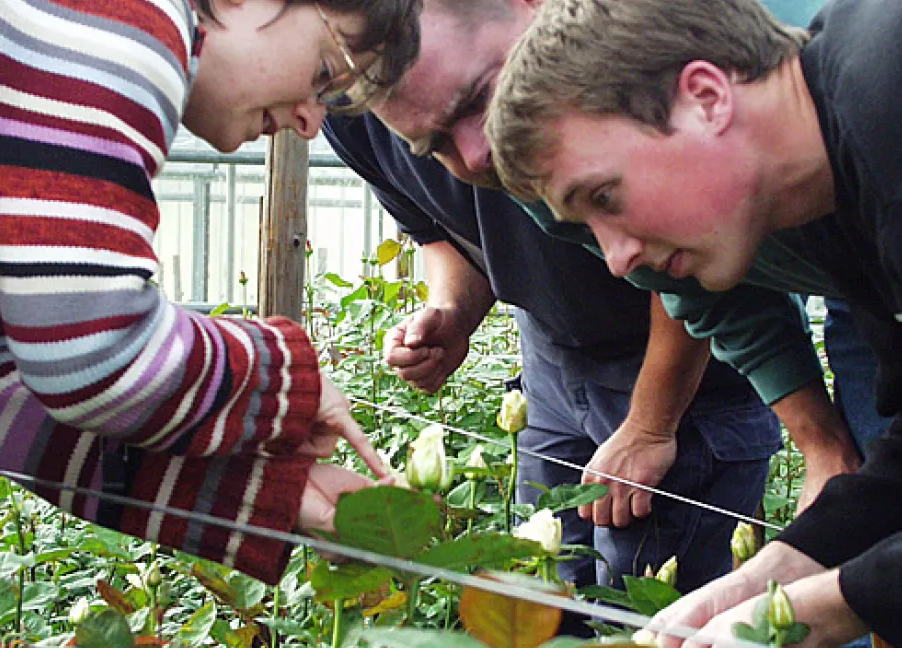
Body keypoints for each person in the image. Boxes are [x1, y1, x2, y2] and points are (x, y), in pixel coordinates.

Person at [487, 0, 902, 645]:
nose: (617, 261)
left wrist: (830, 606)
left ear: (706, 96)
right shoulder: (837, 162)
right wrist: (776, 573)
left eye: (605, 198)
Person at [322, 0, 864, 596]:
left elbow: (701, 275)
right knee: (547, 589)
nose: (476, 155)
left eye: (478, 98)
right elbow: (691, 285)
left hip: (698, 374)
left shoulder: (878, 109)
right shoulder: (504, 153)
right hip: (560, 355)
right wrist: (824, 450)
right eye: (434, 145)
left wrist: (655, 423)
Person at [0, 0, 419, 585]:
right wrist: (284, 381)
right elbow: (91, 351)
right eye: (326, 72)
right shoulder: (120, 11)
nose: (311, 121)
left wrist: (277, 490)